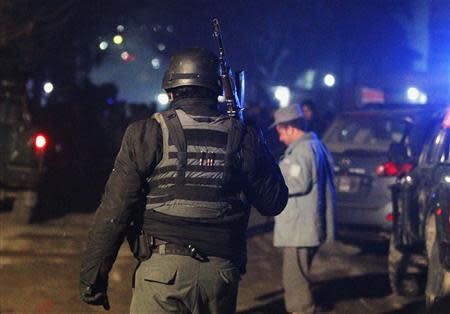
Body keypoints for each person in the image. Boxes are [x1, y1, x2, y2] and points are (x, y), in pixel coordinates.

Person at [79, 47, 288, 314]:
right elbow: (274, 201)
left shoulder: (146, 133)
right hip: (219, 278)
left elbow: (115, 211)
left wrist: (93, 279)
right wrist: (253, 138)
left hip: (161, 275)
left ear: (171, 91)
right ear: (216, 91)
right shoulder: (242, 135)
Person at [271, 104, 336, 314]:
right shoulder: (317, 146)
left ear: (290, 128)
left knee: (295, 281)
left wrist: (271, 185)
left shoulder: (302, 151)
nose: (280, 138)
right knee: (298, 276)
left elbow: (297, 182)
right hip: (306, 227)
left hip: (299, 230)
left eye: (280, 132)